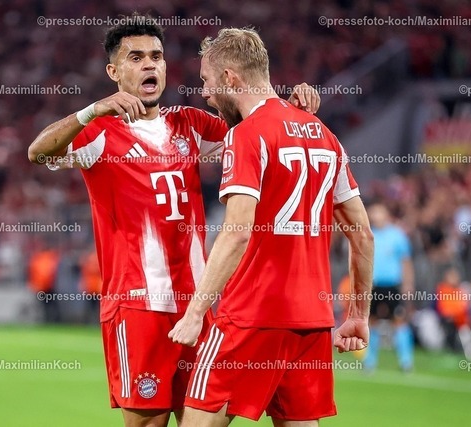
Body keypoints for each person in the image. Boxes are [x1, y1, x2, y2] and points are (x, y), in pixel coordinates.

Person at [27, 14, 320, 427]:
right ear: (114, 72)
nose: (149, 64)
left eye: (156, 56)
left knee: (203, 419)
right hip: (138, 305)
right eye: (136, 58)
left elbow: (257, 128)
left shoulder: (190, 123)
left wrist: (290, 107)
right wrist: (91, 110)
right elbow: (37, 152)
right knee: (149, 421)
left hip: (198, 305)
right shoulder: (100, 132)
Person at [169, 28, 374, 427]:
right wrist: (358, 314)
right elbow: (362, 234)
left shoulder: (247, 135)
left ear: (230, 78)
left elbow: (237, 231)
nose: (205, 94)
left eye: (207, 82)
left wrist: (196, 312)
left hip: (251, 316)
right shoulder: (326, 137)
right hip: (311, 321)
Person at [363, 203, 415, 372]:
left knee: (399, 321)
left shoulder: (397, 235)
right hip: (374, 285)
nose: (375, 216)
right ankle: (369, 361)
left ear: (386, 214)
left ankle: (406, 361)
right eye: (373, 213)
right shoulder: (369, 235)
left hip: (393, 285)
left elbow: (405, 261)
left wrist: (408, 284)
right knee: (372, 322)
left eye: (378, 213)